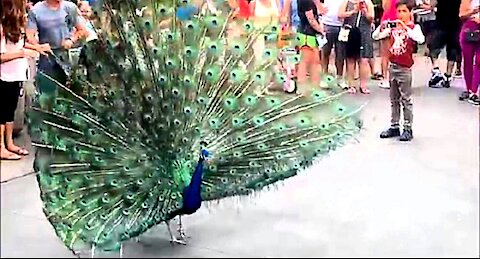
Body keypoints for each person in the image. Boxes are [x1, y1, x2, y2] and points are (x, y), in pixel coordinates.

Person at [374, 0, 425, 141]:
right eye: (399, 11)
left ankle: (408, 127)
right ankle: (394, 125)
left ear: (410, 13)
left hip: (405, 68)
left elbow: (420, 39)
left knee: (406, 99)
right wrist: (382, 26)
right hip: (393, 66)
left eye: (404, 11)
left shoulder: (414, 27)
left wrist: (405, 27)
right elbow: (376, 36)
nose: (401, 14)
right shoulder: (393, 28)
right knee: (394, 99)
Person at [0, 0, 43, 160]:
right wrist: (22, 53)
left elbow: (20, 45)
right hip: (4, 76)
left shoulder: (14, 26)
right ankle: (1, 148)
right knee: (2, 113)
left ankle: (9, 143)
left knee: (9, 111)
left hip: (15, 75)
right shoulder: (1, 28)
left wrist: (38, 47)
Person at [26, 0, 87, 92]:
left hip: (68, 58)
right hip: (48, 58)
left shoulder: (70, 8)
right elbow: (29, 36)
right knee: (47, 93)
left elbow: (82, 30)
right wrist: (39, 46)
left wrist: (71, 40)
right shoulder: (36, 10)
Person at [339, 0, 375, 94]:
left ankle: (363, 85)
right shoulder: (347, 2)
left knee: (363, 60)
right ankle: (351, 84)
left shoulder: (368, 2)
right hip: (350, 32)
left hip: (364, 33)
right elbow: (340, 15)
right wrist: (353, 11)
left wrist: (365, 12)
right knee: (350, 59)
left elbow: (371, 18)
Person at [427, 0, 462, 88]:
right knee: (452, 49)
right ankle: (448, 76)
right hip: (455, 23)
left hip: (441, 22)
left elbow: (431, 5)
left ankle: (436, 69)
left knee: (433, 47)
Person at [296, 0, 324, 87]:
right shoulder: (306, 1)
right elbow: (311, 20)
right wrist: (321, 30)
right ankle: (302, 88)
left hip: (310, 34)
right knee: (304, 62)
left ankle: (314, 85)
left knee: (314, 62)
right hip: (306, 35)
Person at [321, 0, 348, 89]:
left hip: (342, 25)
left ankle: (340, 78)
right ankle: (324, 77)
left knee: (340, 54)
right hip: (328, 24)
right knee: (325, 52)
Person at [458, 0, 480, 105]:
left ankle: (474, 91)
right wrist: (473, 11)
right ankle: (469, 88)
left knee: (479, 62)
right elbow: (461, 15)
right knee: (468, 61)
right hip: (468, 31)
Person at [376, 0, 398, 89]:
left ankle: (395, 77)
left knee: (398, 50)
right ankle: (385, 78)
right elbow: (386, 7)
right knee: (385, 53)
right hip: (388, 21)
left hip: (399, 20)